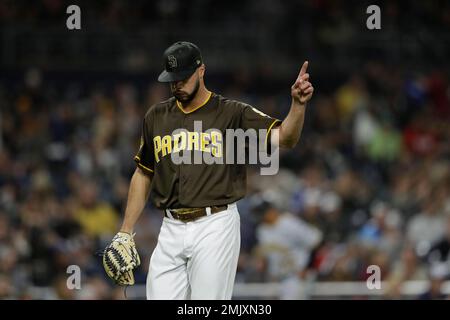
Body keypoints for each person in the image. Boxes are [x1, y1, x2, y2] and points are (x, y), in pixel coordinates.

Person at [113, 41, 314, 299]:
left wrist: (297, 105)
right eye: (172, 80)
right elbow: (143, 173)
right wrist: (125, 229)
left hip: (215, 224)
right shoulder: (156, 116)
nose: (176, 85)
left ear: (201, 71)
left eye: (183, 78)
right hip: (171, 226)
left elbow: (285, 137)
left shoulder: (231, 112)